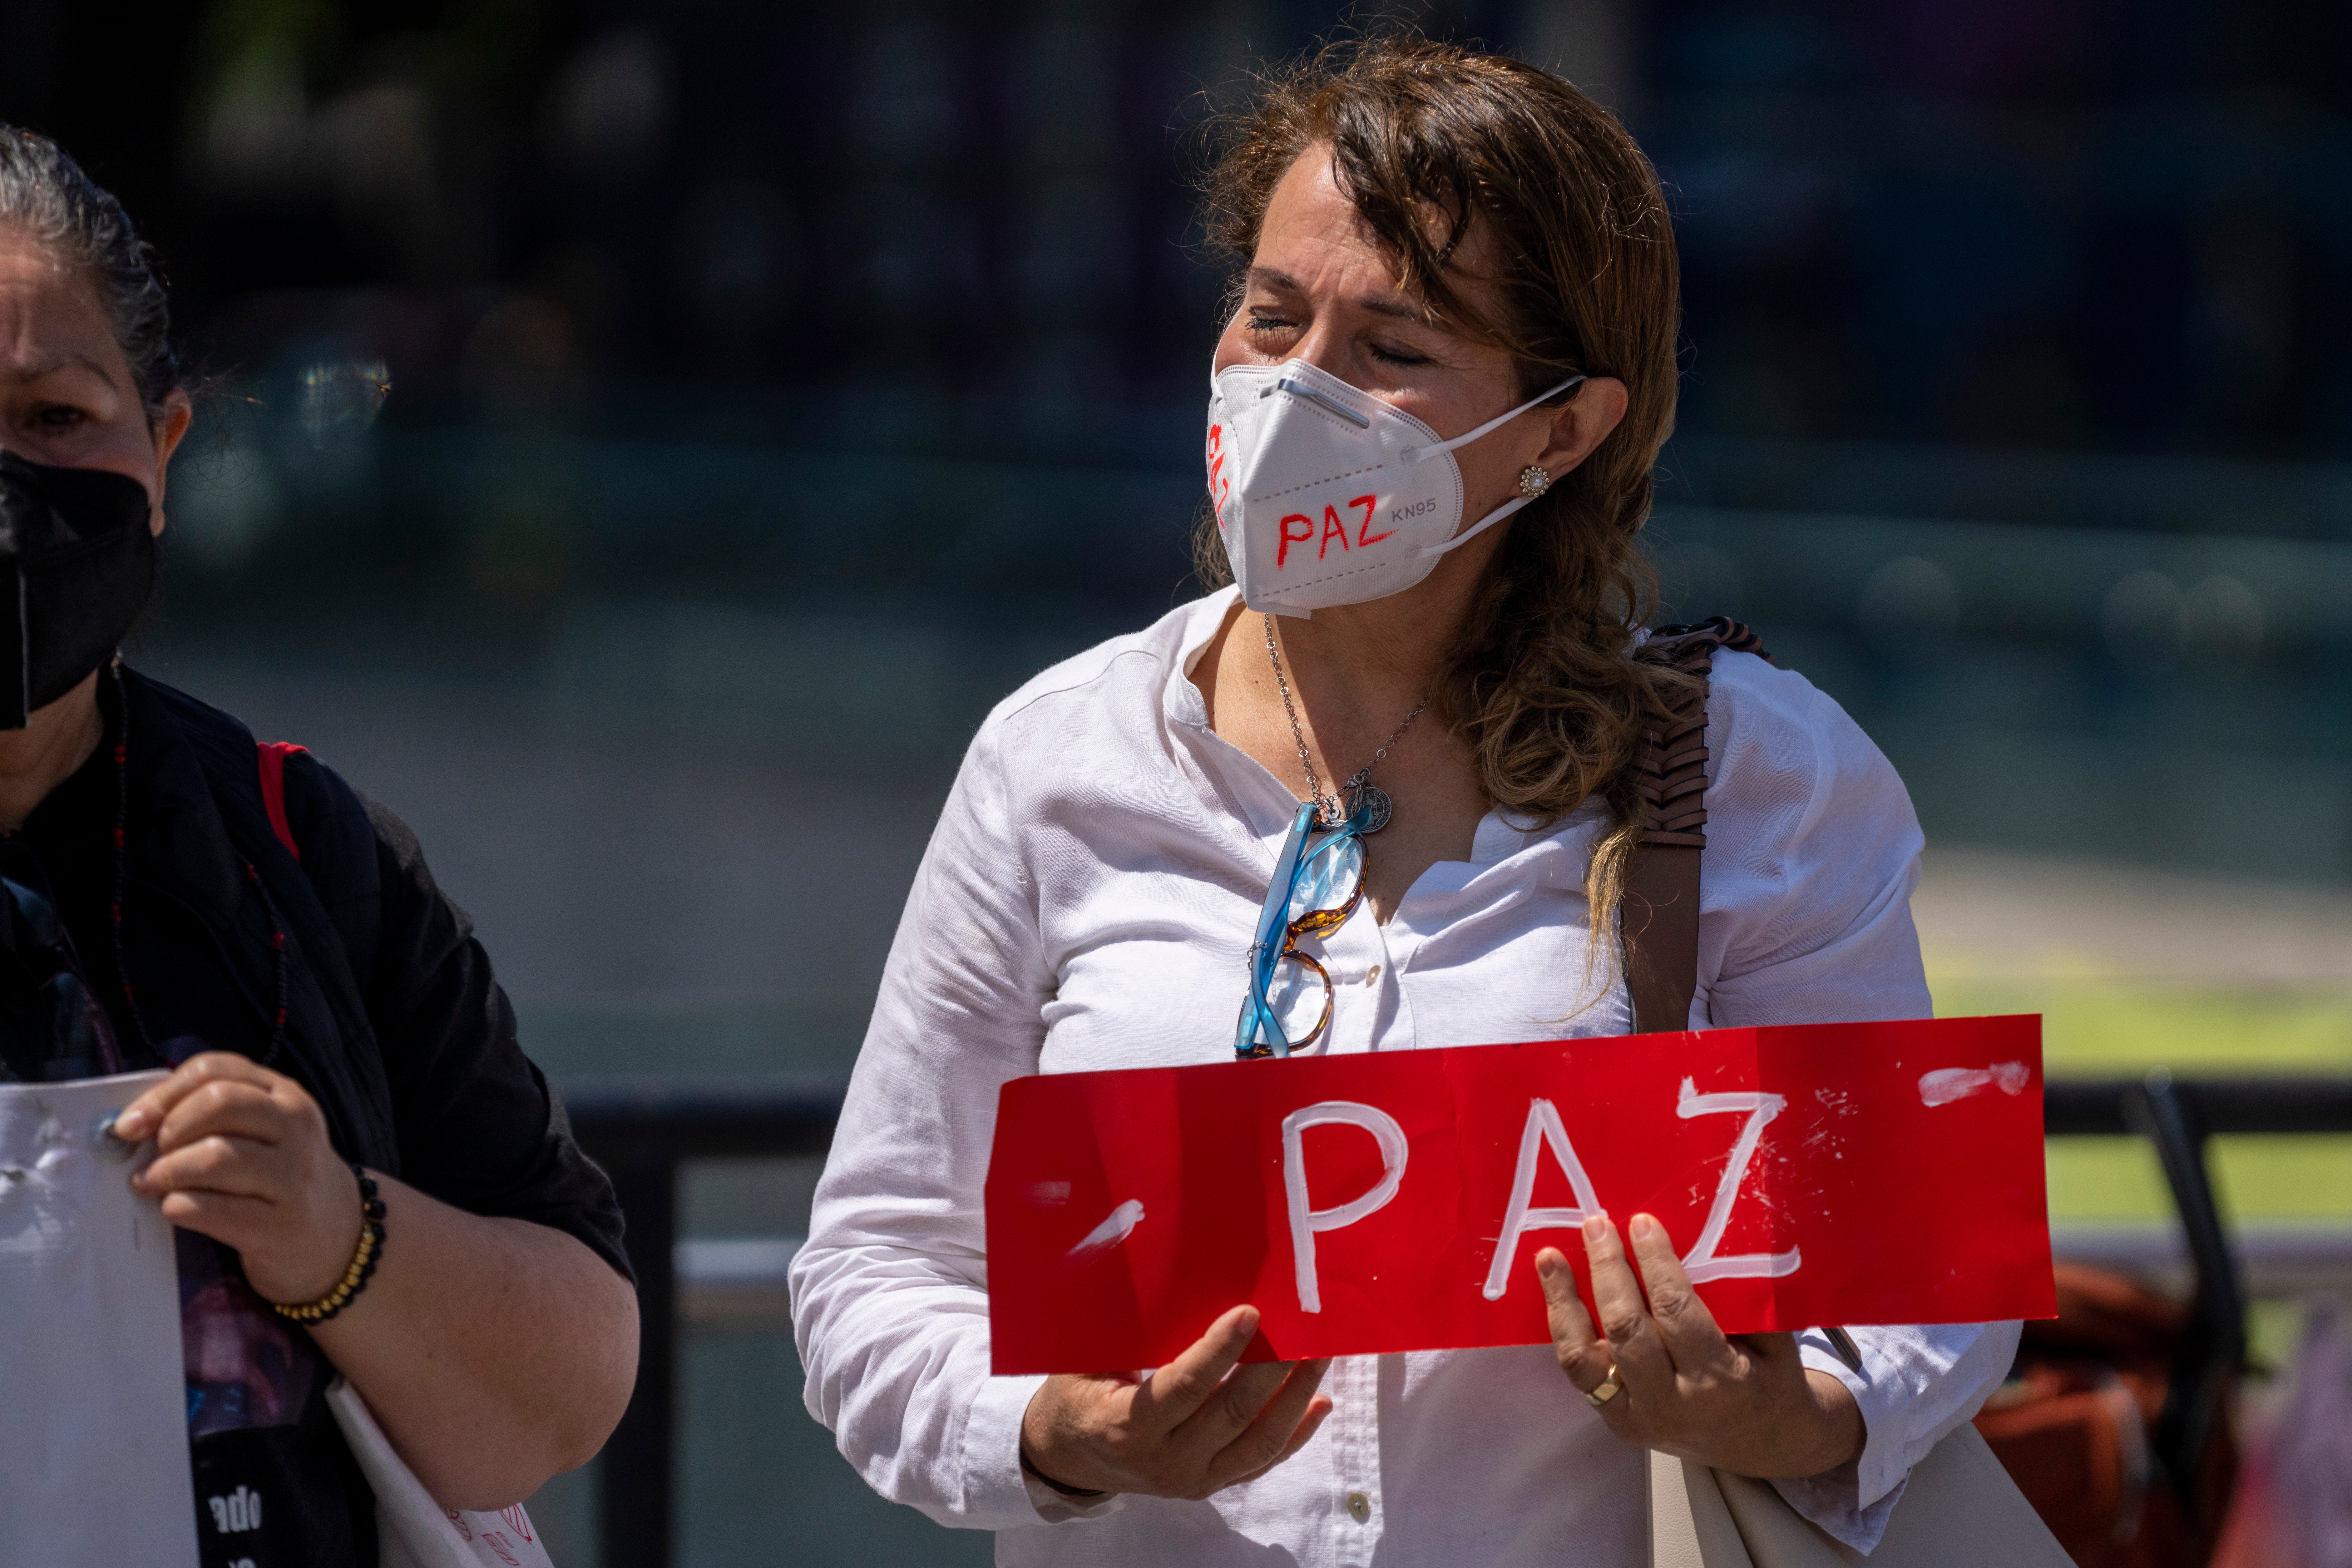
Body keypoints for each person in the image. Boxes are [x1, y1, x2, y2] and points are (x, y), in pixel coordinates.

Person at [791, 36, 2019, 1568]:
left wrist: (1780, 1410)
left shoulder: (1760, 772)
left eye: (1391, 347)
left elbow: (1922, 1280)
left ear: (1561, 427)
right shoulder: (1053, 760)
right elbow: (875, 1270)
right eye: (1270, 314)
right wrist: (1056, 1432)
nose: (1296, 387)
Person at [0, 126, 638, 1563]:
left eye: (54, 418)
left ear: (161, 450)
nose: (10, 490)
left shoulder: (302, 846)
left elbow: (565, 1384)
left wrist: (335, 1232)